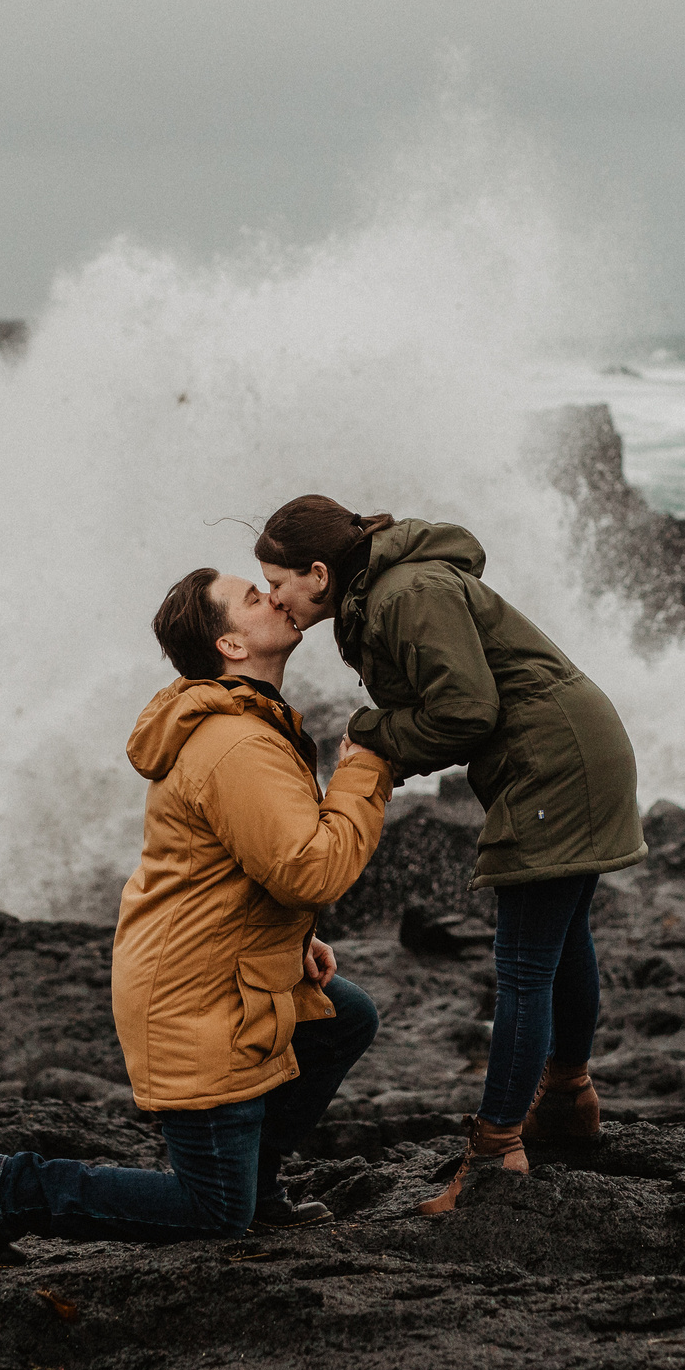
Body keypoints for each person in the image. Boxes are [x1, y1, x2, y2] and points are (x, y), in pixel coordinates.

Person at [0, 566, 395, 1267]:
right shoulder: (236, 744)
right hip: (195, 1000)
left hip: (224, 972)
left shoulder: (248, 722)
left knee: (344, 1017)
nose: (275, 596)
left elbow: (252, 861)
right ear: (228, 644)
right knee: (215, 1212)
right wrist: (365, 771)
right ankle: (12, 1188)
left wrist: (297, 937)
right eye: (254, 597)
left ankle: (259, 1178)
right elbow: (311, 867)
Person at [256, 497, 643, 1213]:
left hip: (552, 762)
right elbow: (457, 706)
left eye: (275, 582)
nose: (270, 599)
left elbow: (467, 709)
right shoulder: (393, 590)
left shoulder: (406, 592)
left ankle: (497, 1152)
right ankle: (567, 1100)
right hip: (578, 746)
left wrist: (370, 734)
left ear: (316, 573)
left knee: (524, 962)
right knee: (562, 939)